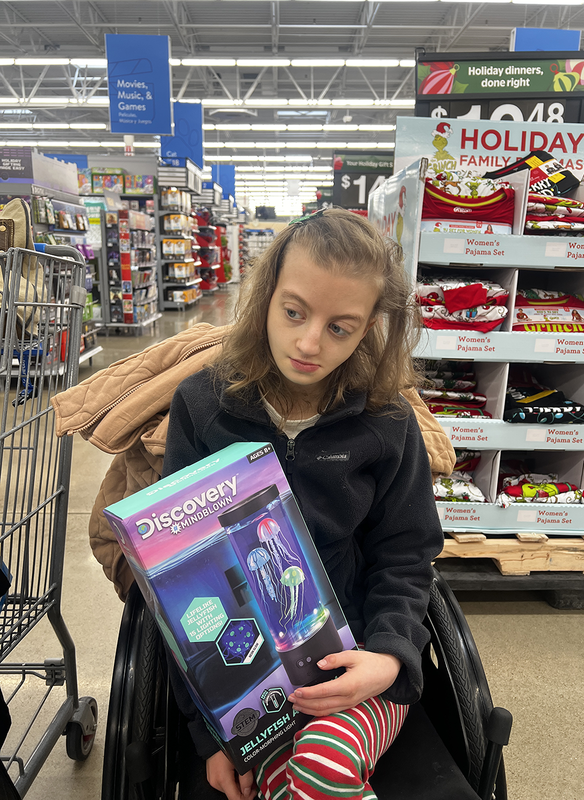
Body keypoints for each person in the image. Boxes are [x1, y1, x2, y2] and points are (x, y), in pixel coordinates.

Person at [162, 207, 445, 800]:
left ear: (369, 328)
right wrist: (210, 735)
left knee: (319, 766)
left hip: (355, 661)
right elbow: (177, 575)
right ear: (265, 297)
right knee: (284, 784)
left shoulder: (386, 420)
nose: (310, 342)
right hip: (246, 678)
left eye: (341, 327)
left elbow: (408, 551)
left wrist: (390, 658)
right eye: (294, 312)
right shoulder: (204, 406)